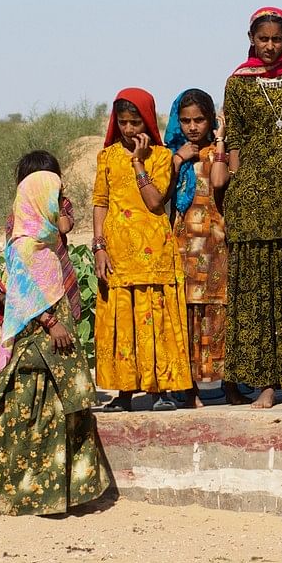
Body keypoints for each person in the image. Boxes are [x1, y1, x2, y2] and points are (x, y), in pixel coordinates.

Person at [0, 171, 110, 516]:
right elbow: (18, 297)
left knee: (65, 417)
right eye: (55, 199)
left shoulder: (45, 243)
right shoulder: (25, 245)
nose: (61, 205)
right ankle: (30, 498)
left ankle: (63, 496)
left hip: (57, 352)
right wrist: (52, 322)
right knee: (36, 420)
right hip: (36, 350)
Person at [222, 7, 282, 408]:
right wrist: (233, 197)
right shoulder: (237, 84)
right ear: (251, 37)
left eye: (277, 39)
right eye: (263, 39)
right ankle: (262, 384)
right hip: (252, 200)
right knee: (257, 293)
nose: (270, 46)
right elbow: (235, 145)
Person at [92, 88, 193, 413]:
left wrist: (138, 163)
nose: (129, 130)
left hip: (154, 252)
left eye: (136, 122)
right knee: (123, 320)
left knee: (155, 318)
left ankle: (160, 390)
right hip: (118, 252)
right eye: (123, 122)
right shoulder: (106, 158)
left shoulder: (162, 158)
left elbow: (154, 202)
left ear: (147, 121)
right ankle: (124, 392)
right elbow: (100, 203)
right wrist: (98, 246)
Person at [166, 88, 229, 401]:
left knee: (217, 308)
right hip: (184, 244)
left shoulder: (221, 151)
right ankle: (188, 387)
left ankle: (225, 383)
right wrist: (178, 160)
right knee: (186, 311)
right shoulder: (173, 155)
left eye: (200, 120)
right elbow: (161, 194)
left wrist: (218, 141)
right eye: (186, 120)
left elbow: (220, 182)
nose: (193, 127)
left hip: (215, 241)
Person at [6, 151, 80, 322]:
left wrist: (57, 200)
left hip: (60, 272)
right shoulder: (19, 214)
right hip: (34, 281)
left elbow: (64, 226)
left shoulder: (62, 204)